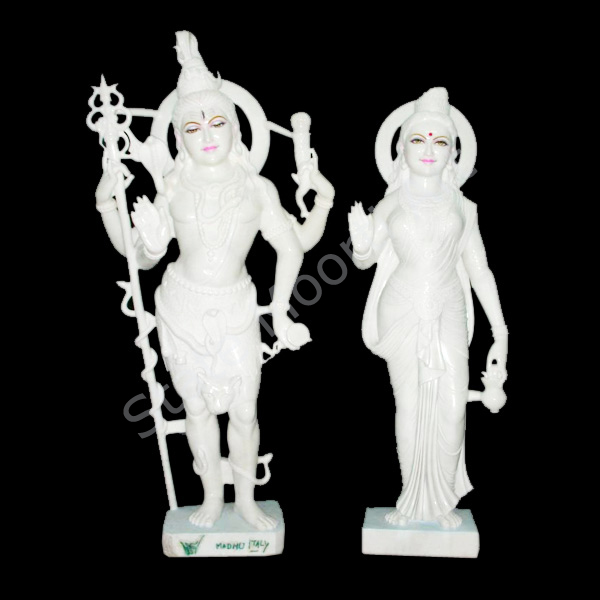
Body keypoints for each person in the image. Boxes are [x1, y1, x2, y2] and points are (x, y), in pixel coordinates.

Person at [95, 31, 334, 530]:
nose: (206, 134)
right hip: (181, 307)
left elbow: (293, 246)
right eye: (192, 126)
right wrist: (110, 208)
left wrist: (280, 312)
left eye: (217, 122)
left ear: (236, 129)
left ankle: (244, 500)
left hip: (237, 308)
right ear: (178, 138)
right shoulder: (172, 186)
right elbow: (139, 258)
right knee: (198, 410)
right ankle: (209, 497)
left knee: (245, 411)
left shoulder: (257, 188)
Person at [349, 88, 508, 529]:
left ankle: (441, 502)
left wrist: (501, 331)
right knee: (410, 404)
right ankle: (410, 498)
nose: (428, 150)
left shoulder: (464, 207)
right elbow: (366, 258)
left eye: (440, 142)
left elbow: (480, 270)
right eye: (418, 140)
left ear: (454, 152)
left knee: (453, 407)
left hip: (448, 307)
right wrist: (360, 243)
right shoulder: (392, 202)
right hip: (401, 308)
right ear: (402, 148)